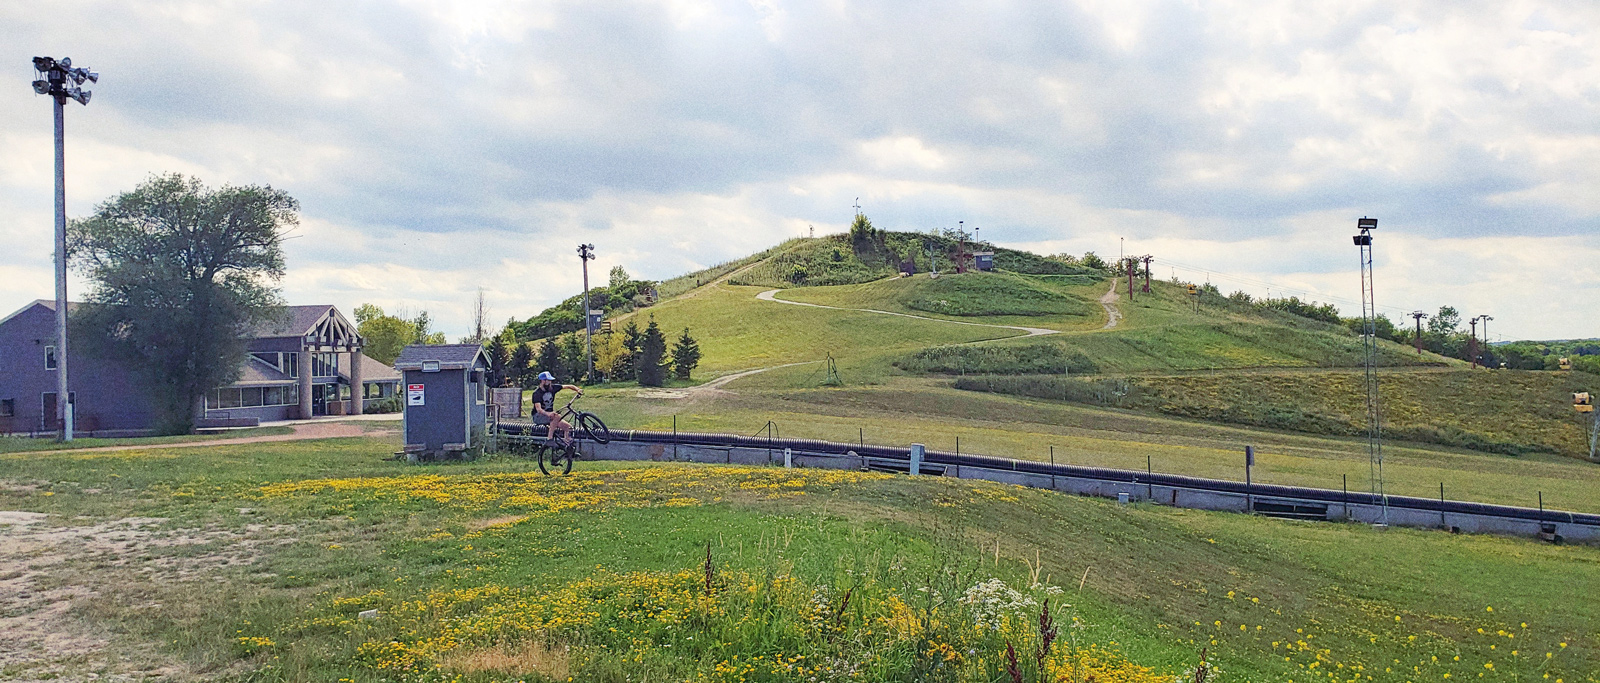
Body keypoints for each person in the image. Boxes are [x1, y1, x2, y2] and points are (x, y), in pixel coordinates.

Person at [531, 371, 582, 446]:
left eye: (550, 380)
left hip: (551, 416)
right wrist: (548, 414)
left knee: (568, 428)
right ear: (542, 381)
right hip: (538, 416)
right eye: (547, 380)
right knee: (557, 416)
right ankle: (549, 439)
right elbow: (539, 410)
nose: (549, 382)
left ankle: (567, 445)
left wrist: (577, 389)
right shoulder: (537, 393)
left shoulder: (553, 388)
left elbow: (568, 386)